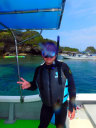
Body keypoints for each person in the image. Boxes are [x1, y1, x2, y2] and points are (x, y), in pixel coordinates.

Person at [17, 42, 76, 128]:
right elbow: (35, 85)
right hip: (46, 105)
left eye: (51, 54)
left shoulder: (63, 67)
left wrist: (72, 106)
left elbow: (72, 87)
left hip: (61, 105)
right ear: (42, 54)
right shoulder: (39, 69)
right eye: (45, 54)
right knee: (42, 126)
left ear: (56, 54)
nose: (48, 57)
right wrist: (29, 85)